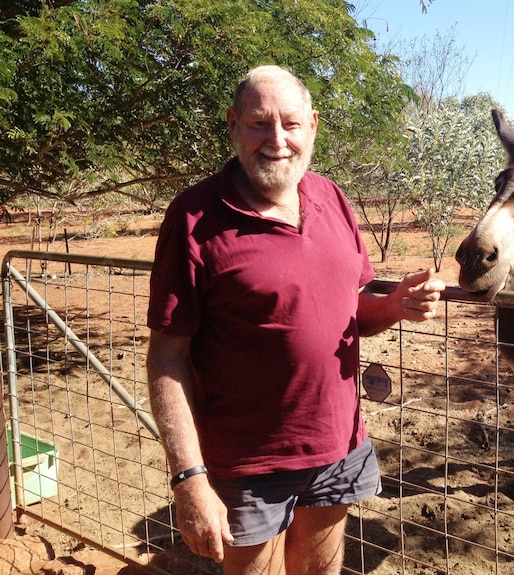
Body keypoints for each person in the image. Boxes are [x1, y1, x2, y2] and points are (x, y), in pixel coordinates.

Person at [146, 65, 445, 575]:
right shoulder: (195, 218)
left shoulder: (331, 198)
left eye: (290, 123)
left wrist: (394, 305)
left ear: (313, 126)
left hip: (338, 446)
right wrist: (190, 478)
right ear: (233, 126)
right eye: (260, 123)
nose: (276, 139)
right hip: (247, 463)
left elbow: (347, 312)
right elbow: (167, 356)